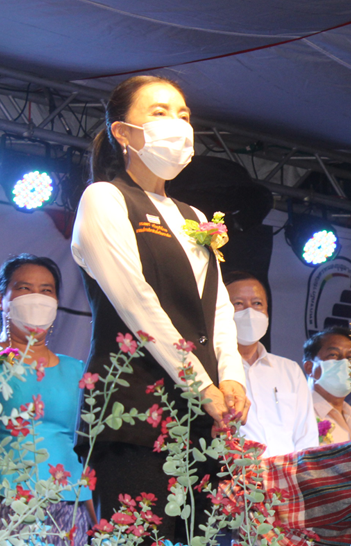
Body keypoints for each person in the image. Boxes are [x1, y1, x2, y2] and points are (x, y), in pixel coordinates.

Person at [71, 75, 248, 540]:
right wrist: (202, 384)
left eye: (184, 115)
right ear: (122, 132)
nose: (178, 124)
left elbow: (218, 309)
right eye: (159, 112)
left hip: (201, 419)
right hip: (134, 412)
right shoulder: (105, 198)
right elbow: (137, 304)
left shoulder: (194, 217)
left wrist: (231, 377)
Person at [0, 254, 94, 546]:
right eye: (24, 288)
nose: (36, 298)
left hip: (69, 507)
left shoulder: (78, 370)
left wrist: (98, 520)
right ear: (3, 299)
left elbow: (86, 452)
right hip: (9, 502)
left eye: (46, 290)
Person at [224, 271, 317, 457]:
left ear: (267, 311)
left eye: (257, 303)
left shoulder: (289, 370)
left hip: (289, 474)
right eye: (238, 304)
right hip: (239, 473)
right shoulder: (216, 370)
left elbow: (307, 438)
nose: (250, 312)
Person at [303, 327, 351, 444]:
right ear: (309, 368)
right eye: (333, 355)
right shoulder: (300, 414)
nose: (345, 363)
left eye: (350, 358)